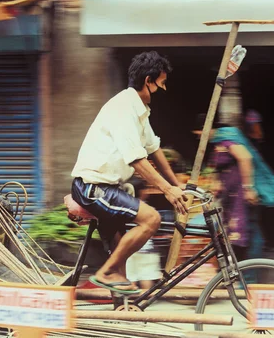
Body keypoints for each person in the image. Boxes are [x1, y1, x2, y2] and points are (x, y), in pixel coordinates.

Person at [71, 51, 187, 295]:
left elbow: (155, 151)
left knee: (122, 272)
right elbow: (137, 160)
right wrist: (168, 191)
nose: (163, 90)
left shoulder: (139, 110)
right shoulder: (123, 108)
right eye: (162, 83)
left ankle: (122, 310)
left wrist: (177, 186)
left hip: (109, 188)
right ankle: (104, 272)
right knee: (152, 219)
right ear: (148, 80)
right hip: (94, 188)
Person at [208, 110, 274, 262]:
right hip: (236, 196)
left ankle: (250, 273)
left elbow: (246, 157)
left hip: (242, 194)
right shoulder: (230, 139)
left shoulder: (228, 138)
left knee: (247, 233)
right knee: (251, 231)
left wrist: (248, 188)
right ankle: (250, 270)